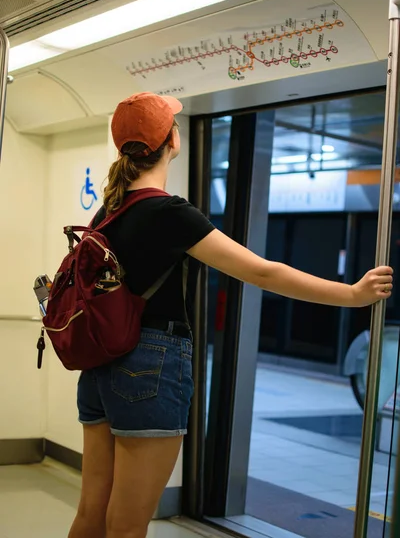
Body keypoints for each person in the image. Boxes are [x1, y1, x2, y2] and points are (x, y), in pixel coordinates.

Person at [68, 92, 393, 538]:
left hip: (99, 368)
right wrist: (352, 294)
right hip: (151, 368)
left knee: (91, 514)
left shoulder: (108, 210)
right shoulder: (169, 212)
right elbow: (263, 271)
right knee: (127, 525)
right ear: (171, 141)